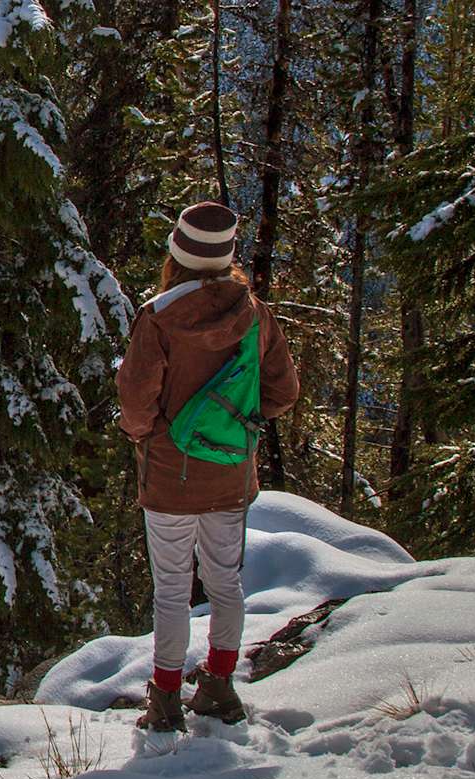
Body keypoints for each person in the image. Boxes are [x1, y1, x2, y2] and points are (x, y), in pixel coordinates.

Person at [115, 201, 300, 732]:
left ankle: (166, 698)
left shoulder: (159, 317)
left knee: (172, 589)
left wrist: (147, 435)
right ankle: (219, 686)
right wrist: (238, 421)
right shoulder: (255, 315)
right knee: (226, 583)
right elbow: (283, 392)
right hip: (231, 472)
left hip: (171, 477)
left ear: (177, 253)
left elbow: (136, 399)